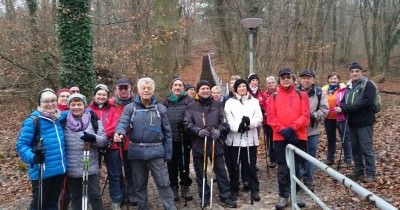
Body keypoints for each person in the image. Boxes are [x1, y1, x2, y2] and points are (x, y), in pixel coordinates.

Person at [114, 77, 177, 210]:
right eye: (144, 88)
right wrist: (119, 132)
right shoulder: (130, 108)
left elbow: (168, 133)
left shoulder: (161, 108)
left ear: (153, 90)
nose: (146, 90)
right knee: (139, 185)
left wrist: (168, 154)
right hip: (136, 152)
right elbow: (123, 122)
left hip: (156, 152)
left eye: (149, 88)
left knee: (164, 183)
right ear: (138, 90)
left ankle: (170, 207)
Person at [183, 80, 237, 208]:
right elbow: (187, 123)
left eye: (207, 88)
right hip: (199, 144)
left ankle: (226, 196)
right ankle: (204, 197)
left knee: (221, 172)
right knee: (201, 174)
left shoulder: (217, 105)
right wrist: (198, 130)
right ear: (198, 91)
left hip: (215, 143)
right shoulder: (191, 106)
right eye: (202, 89)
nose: (205, 90)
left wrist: (219, 130)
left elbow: (224, 121)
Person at [16, 88, 67, 210]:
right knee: (38, 205)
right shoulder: (33, 121)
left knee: (52, 204)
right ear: (39, 104)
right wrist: (33, 157)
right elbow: (21, 145)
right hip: (42, 172)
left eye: (53, 100)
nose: (50, 104)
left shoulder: (59, 119)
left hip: (59, 170)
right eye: (46, 101)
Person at [267, 68, 310, 209]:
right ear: (279, 80)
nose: (286, 79)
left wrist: (292, 128)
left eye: (288, 77)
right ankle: (283, 194)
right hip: (280, 137)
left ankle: (295, 194)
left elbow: (305, 115)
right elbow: (271, 118)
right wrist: (282, 129)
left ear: (293, 79)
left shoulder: (302, 95)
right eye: (283, 77)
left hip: (298, 136)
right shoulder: (272, 97)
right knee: (283, 167)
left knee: (297, 167)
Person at [62, 93, 108, 210]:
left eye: (79, 104)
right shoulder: (63, 121)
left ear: (84, 105)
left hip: (90, 166)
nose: (76, 107)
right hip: (72, 167)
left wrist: (93, 138)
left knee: (95, 196)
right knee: (76, 197)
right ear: (69, 106)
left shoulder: (93, 118)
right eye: (73, 104)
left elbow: (103, 141)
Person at [224, 79, 263, 202]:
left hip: (250, 139)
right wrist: (237, 127)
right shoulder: (229, 102)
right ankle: (234, 188)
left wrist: (249, 123)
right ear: (235, 89)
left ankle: (254, 188)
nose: (242, 88)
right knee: (234, 166)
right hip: (234, 139)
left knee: (251, 165)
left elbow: (259, 117)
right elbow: (227, 118)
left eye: (244, 86)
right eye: (239, 86)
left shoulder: (254, 101)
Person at [338, 62, 377, 183]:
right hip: (352, 122)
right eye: (352, 71)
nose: (354, 73)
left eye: (357, 71)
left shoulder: (368, 84)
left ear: (361, 72)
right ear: (349, 73)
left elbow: (367, 101)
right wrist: (344, 107)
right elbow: (343, 101)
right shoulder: (349, 87)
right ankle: (358, 170)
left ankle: (370, 173)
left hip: (364, 122)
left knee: (366, 148)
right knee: (355, 148)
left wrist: (348, 108)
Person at [88, 84, 122, 210]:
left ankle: (116, 200)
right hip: (94, 145)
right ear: (95, 96)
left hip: (111, 144)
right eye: (99, 94)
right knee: (92, 174)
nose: (101, 97)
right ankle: (94, 200)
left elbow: (115, 125)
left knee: (114, 173)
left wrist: (104, 136)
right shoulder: (88, 110)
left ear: (107, 97)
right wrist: (97, 138)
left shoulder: (113, 109)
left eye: (104, 95)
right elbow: (86, 125)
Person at [298, 69, 329, 190]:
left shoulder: (319, 92)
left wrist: (313, 116)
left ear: (313, 79)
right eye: (304, 78)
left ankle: (308, 179)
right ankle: (298, 178)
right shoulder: (294, 91)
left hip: (312, 130)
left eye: (308, 78)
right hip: (297, 130)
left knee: (310, 156)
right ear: (300, 79)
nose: (306, 80)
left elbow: (325, 109)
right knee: (298, 156)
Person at [109, 77, 138, 205]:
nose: (123, 90)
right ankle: (120, 195)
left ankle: (132, 194)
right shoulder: (111, 103)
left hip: (133, 143)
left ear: (130, 88)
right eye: (121, 88)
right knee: (118, 171)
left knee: (132, 171)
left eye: (126, 87)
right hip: (116, 144)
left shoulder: (137, 102)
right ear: (116, 90)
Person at [163, 78, 193, 202]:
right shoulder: (166, 102)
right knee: (171, 165)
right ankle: (173, 187)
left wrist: (185, 126)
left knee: (184, 164)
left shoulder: (189, 100)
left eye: (180, 85)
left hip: (184, 138)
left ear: (183, 88)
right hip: (170, 139)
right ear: (171, 87)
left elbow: (192, 116)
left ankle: (185, 186)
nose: (177, 87)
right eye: (175, 85)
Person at [322, 73, 352, 167]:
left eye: (335, 79)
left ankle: (348, 159)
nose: (333, 80)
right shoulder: (324, 89)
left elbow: (348, 101)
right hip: (328, 117)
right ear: (328, 80)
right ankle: (330, 159)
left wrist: (342, 108)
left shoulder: (344, 88)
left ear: (338, 80)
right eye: (331, 78)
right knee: (331, 139)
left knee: (344, 138)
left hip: (340, 117)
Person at [262, 76, 278, 168]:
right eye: (269, 83)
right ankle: (272, 159)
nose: (271, 84)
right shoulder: (264, 95)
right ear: (266, 85)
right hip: (267, 122)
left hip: (279, 121)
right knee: (270, 141)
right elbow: (262, 106)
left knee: (278, 140)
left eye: (272, 82)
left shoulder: (280, 93)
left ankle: (280, 158)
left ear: (276, 83)